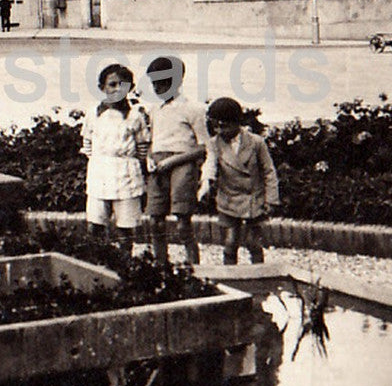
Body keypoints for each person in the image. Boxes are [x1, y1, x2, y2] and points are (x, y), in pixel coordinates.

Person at [143, 55, 208, 264]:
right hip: (158, 165)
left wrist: (173, 161)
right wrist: (149, 158)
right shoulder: (155, 109)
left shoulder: (194, 109)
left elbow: (203, 147)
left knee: (182, 222)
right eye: (154, 83)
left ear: (177, 81)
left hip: (182, 165)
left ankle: (193, 268)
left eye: (163, 83)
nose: (158, 88)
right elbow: (152, 141)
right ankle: (161, 265)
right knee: (155, 221)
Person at [198, 96, 278, 265]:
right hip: (229, 198)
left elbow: (269, 172)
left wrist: (271, 199)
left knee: (253, 243)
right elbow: (210, 164)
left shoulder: (256, 142)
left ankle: (258, 273)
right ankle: (230, 275)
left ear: (237, 122)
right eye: (216, 126)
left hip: (253, 199)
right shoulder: (214, 144)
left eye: (224, 126)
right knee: (230, 242)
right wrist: (206, 183)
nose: (220, 131)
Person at [82, 63, 150, 251]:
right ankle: (95, 261)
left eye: (123, 85)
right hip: (100, 173)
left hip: (126, 175)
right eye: (112, 84)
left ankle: (124, 262)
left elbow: (142, 147)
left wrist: (128, 162)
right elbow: (87, 144)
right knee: (95, 224)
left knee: (125, 228)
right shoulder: (93, 114)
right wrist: (100, 160)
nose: (117, 89)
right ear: (102, 87)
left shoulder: (135, 116)